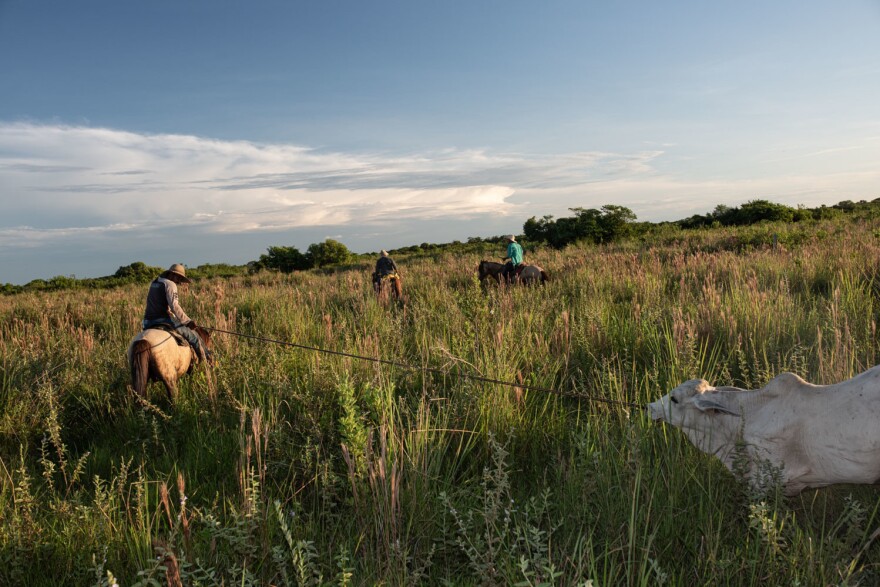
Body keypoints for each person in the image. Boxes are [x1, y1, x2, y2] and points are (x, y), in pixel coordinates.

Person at [142, 263, 210, 360]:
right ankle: (208, 360)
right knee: (194, 338)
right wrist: (188, 321)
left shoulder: (154, 282)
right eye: (178, 278)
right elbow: (174, 306)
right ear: (172, 275)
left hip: (147, 322)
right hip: (163, 320)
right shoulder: (170, 284)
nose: (178, 281)